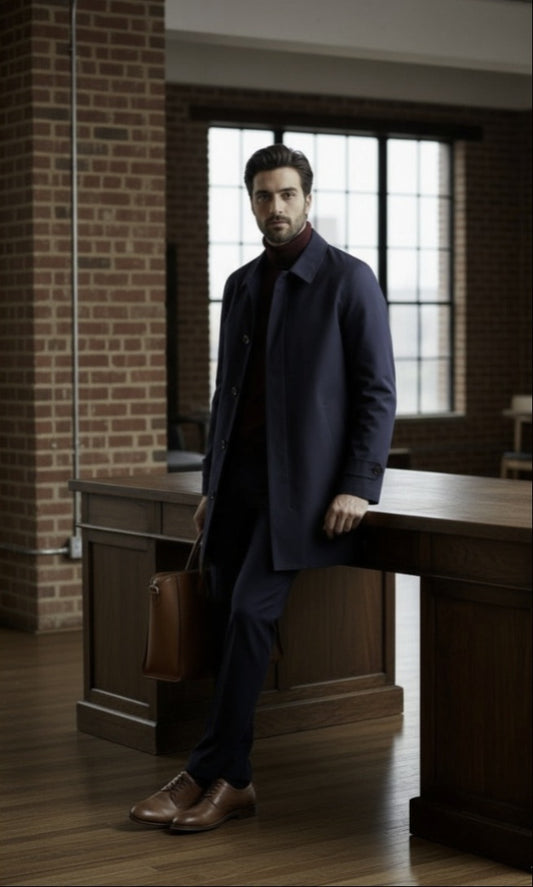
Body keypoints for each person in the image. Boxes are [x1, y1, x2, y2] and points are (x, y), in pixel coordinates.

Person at [129, 144, 396, 833]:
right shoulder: (242, 284)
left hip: (306, 496)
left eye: (285, 195)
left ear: (307, 199)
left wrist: (357, 483)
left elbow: (375, 391)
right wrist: (212, 486)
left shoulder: (348, 279)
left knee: (250, 614)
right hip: (237, 489)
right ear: (250, 202)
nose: (273, 207)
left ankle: (209, 772)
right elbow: (229, 395)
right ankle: (229, 779)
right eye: (261, 196)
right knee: (226, 619)